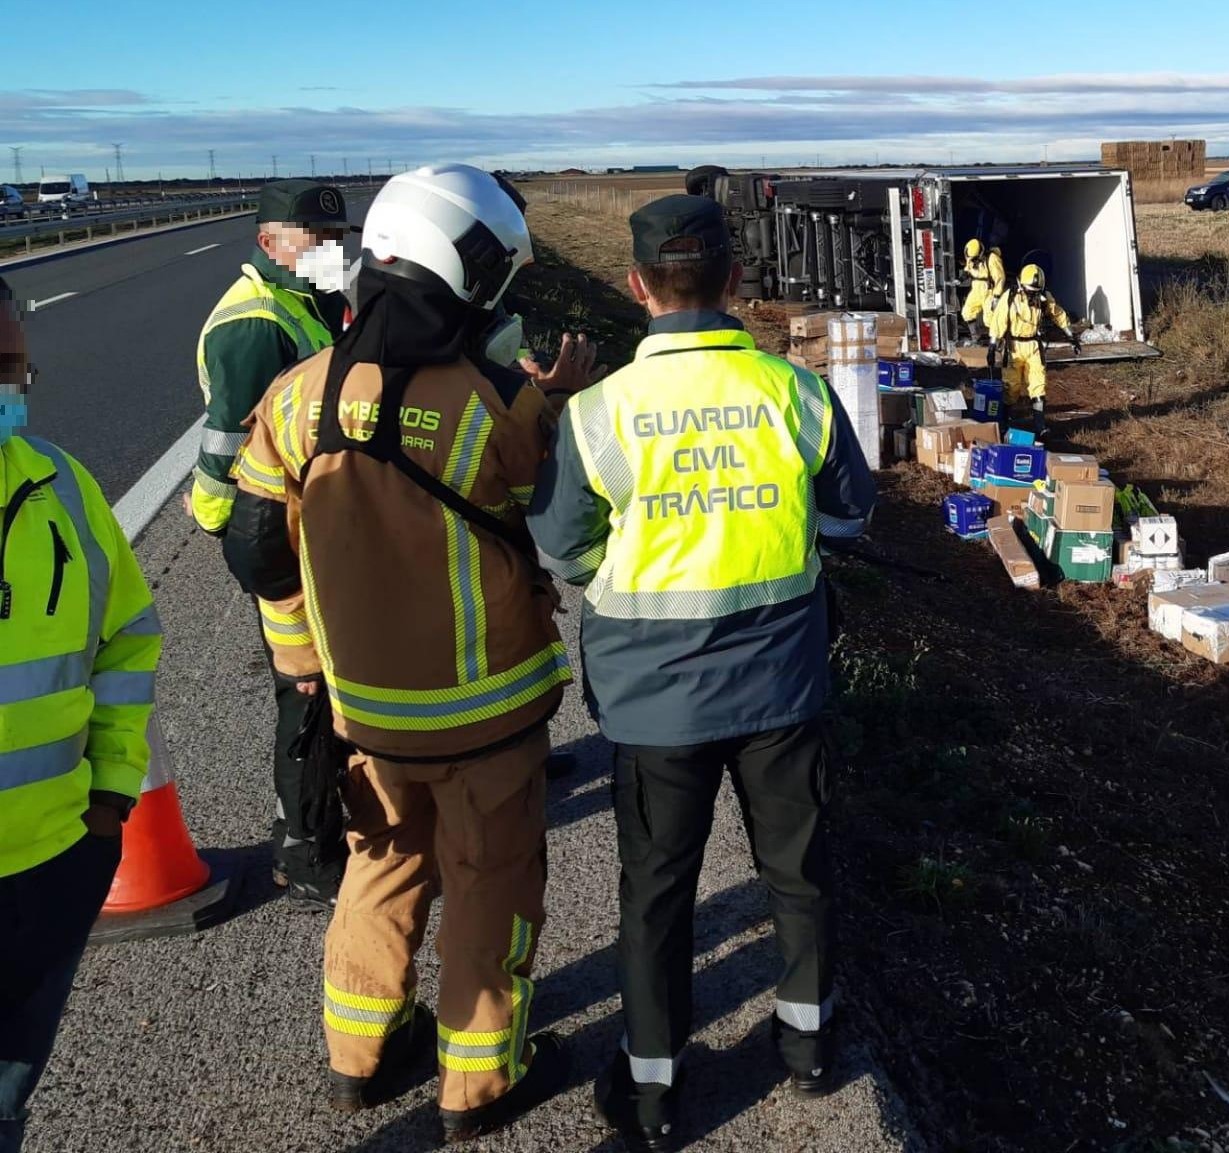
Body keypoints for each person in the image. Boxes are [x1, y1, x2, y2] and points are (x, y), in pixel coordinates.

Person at [223, 164, 597, 1144]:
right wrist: (554, 402)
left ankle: (362, 1054)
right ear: (469, 278)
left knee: (379, 872)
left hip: (366, 718)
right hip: (489, 713)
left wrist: (304, 666)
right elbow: (560, 527)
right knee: (490, 881)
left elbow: (257, 550)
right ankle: (478, 1083)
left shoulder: (296, 396)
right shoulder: (488, 401)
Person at [529, 194, 876, 1153]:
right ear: (732, 282)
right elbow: (850, 514)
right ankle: (807, 1044)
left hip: (653, 703)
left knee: (657, 890)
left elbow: (563, 550)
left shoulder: (599, 413)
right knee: (797, 868)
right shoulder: (794, 392)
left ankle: (653, 1086)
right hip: (783, 686)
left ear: (638, 287)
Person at [0, 274, 162, 1153]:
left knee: (10, 1095)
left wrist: (111, 801)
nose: (6, 387)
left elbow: (127, 640)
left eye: (13, 368)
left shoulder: (60, 487)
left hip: (56, 868)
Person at [190, 178, 353, 906]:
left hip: (319, 528)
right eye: (309, 239)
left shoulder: (309, 301)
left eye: (333, 238)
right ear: (268, 242)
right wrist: (244, 548)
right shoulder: (256, 324)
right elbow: (226, 454)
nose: (325, 250)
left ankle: (330, 818)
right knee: (307, 692)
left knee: (332, 685)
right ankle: (306, 848)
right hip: (280, 540)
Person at [988, 262, 1083, 435]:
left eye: (1036, 292)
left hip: (1033, 347)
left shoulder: (1043, 298)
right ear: (1022, 286)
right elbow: (999, 319)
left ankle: (1040, 426)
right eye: (1031, 292)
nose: (1034, 296)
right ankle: (1004, 421)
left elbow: (1058, 314)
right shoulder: (1010, 298)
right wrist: (992, 344)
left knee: (1038, 385)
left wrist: (1071, 336)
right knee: (1012, 387)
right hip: (1013, 347)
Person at [958, 237, 1005, 344]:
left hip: (989, 291)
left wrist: (997, 296)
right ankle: (975, 337)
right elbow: (968, 269)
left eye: (974, 259)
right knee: (967, 312)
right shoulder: (971, 257)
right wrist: (960, 279)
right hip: (976, 289)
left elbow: (999, 278)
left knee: (989, 318)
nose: (971, 261)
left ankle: (998, 341)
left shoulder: (992, 259)